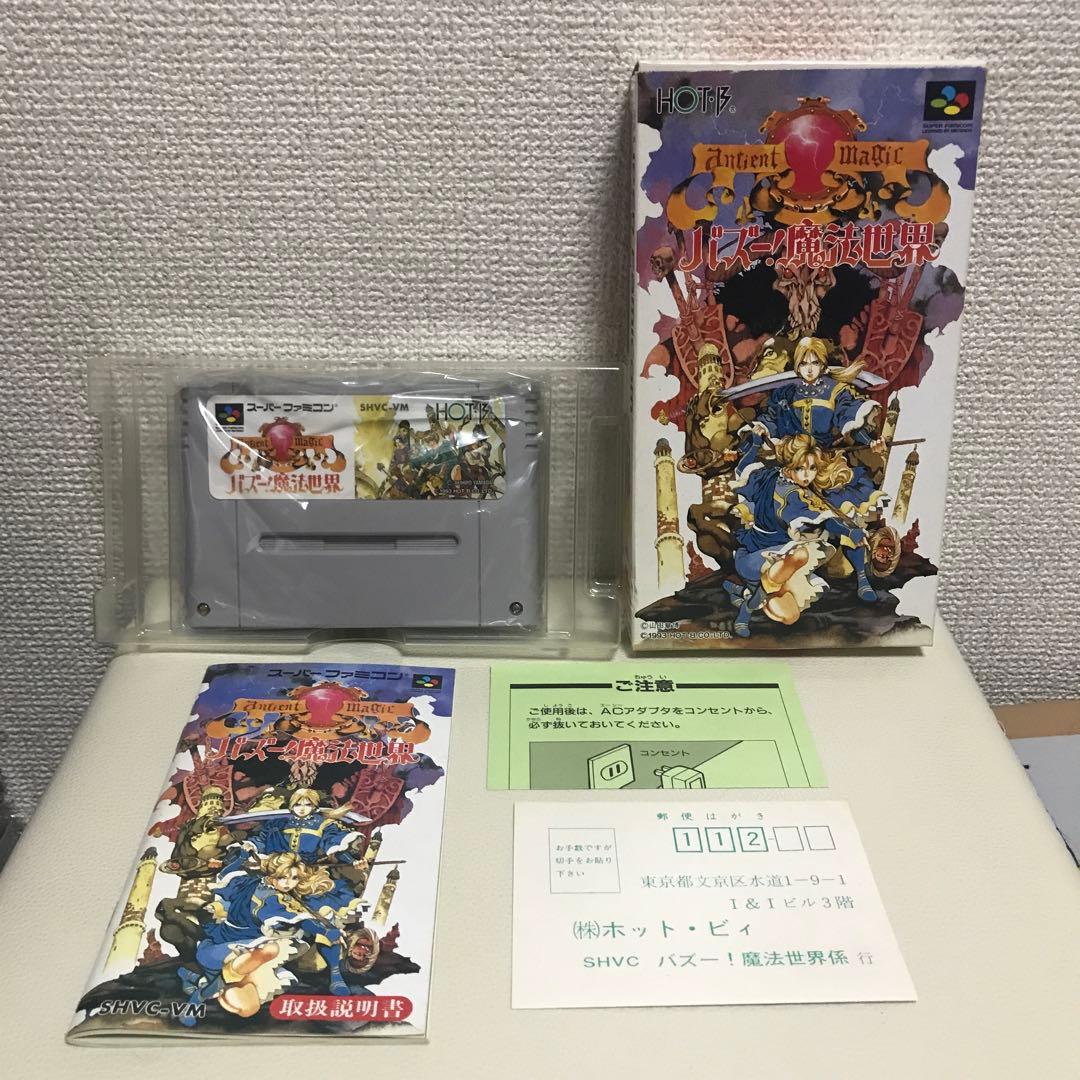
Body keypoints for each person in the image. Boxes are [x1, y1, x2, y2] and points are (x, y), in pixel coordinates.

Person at [726, 432, 877, 637]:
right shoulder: (784, 490)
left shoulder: (782, 482)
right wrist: (850, 530)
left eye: (812, 468)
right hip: (756, 558)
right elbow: (824, 520)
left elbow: (744, 468)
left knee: (790, 616)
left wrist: (755, 445)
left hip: (782, 568)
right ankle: (747, 609)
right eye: (800, 468)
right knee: (801, 554)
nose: (807, 475)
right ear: (789, 467)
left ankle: (748, 594)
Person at [178, 852, 350, 1025]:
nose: (288, 883)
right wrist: (325, 932)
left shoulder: (254, 883)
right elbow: (300, 920)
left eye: (294, 878)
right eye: (283, 877)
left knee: (247, 1007)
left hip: (239, 952)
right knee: (269, 951)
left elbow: (228, 874)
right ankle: (197, 998)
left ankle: (196, 978)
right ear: (272, 875)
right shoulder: (267, 897)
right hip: (226, 949)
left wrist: (240, 859)